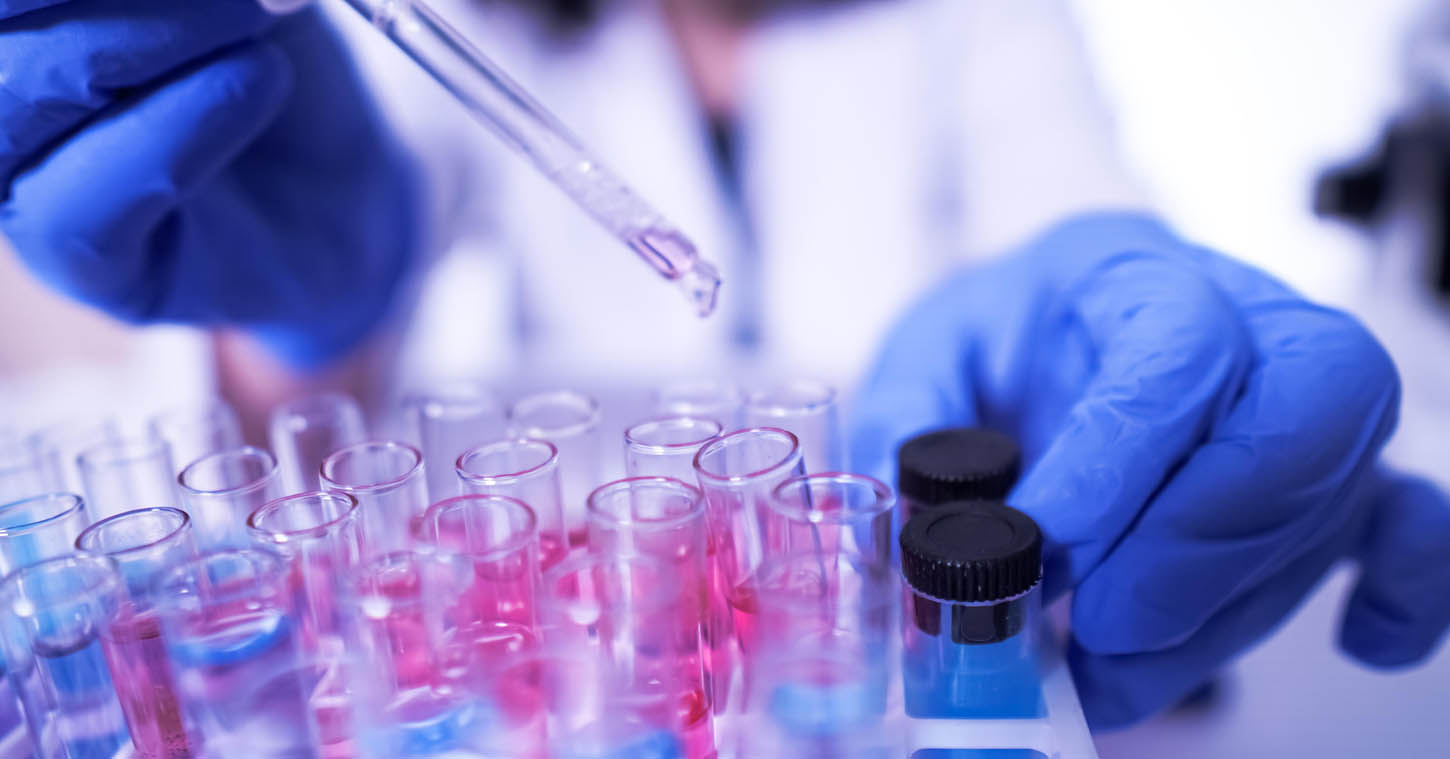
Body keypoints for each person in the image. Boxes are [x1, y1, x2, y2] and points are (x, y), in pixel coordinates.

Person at [0, 0, 1446, 729]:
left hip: (891, 671)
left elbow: (1072, 225)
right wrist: (305, 323)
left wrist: (1141, 377)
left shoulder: (973, 16)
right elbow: (313, 453)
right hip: (602, 670)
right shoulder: (464, 23)